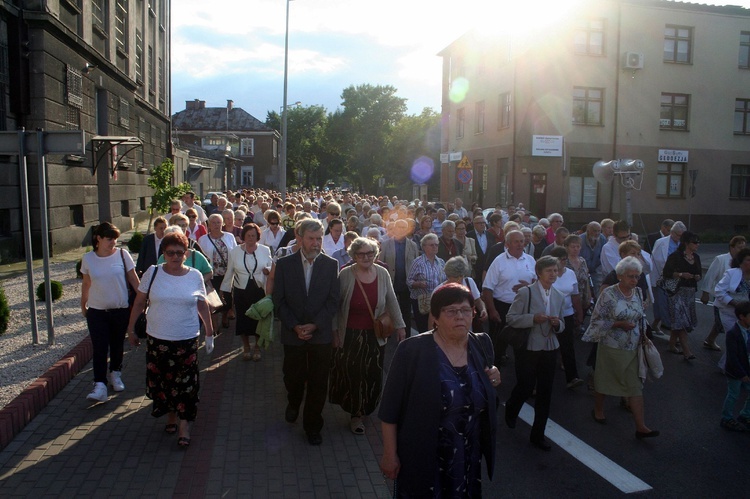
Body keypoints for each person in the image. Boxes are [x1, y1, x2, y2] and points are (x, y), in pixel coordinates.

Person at [379, 283, 499, 496]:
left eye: (465, 310)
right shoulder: (412, 350)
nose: (460, 316)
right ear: (434, 317)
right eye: (451, 311)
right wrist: (390, 454)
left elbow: (487, 390)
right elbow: (390, 409)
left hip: (468, 456)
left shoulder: (482, 344)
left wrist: (494, 379)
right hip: (424, 456)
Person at [126, 232, 214, 448]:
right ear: (163, 254)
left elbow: (202, 304)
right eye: (170, 252)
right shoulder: (153, 273)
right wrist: (130, 329)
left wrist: (210, 332)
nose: (175, 257)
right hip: (158, 338)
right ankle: (171, 416)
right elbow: (139, 303)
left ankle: (184, 426)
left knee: (186, 384)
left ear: (186, 254)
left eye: (179, 252)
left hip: (186, 338)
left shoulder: (194, 275)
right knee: (165, 381)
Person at [273, 218, 340, 446]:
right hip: (292, 334)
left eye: (319, 238)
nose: (315, 243)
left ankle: (312, 424)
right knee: (293, 377)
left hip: (319, 335)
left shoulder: (331, 265)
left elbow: (333, 302)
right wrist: (294, 326)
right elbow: (278, 301)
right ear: (300, 238)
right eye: (311, 238)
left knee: (318, 381)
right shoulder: (284, 264)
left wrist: (315, 325)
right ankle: (293, 401)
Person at [330, 237, 406, 435]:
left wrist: (400, 326)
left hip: (375, 335)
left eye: (370, 254)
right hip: (350, 335)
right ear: (354, 256)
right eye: (361, 254)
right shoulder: (345, 274)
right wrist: (335, 332)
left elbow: (391, 299)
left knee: (373, 373)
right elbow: (335, 307)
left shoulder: (382, 273)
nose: (366, 257)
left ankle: (367, 407)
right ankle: (356, 413)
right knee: (353, 373)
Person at [582, 256, 659, 439]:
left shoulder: (638, 292)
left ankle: (641, 426)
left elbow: (641, 316)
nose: (634, 280)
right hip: (611, 346)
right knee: (605, 381)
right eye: (630, 276)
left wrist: (644, 335)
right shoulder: (608, 294)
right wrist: (618, 324)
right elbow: (596, 321)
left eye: (637, 276)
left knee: (635, 386)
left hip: (633, 346)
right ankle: (598, 409)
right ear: (619, 276)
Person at [504, 256, 566, 450]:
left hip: (549, 347)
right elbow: (511, 318)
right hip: (529, 346)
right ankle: (512, 409)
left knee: (545, 392)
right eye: (549, 271)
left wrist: (557, 324)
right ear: (539, 273)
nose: (553, 275)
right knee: (525, 385)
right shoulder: (526, 293)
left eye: (555, 271)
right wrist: (533, 318)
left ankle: (538, 435)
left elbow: (563, 323)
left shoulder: (559, 295)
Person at [80, 222, 140, 402]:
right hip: (97, 311)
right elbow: (86, 283)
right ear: (98, 239)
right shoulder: (88, 258)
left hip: (120, 310)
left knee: (116, 345)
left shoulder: (123, 255)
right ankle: (99, 385)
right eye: (109, 239)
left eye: (115, 239)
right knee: (99, 348)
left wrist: (145, 299)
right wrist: (83, 305)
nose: (113, 242)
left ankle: (115, 373)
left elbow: (134, 280)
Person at [221, 223, 274, 361]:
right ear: (243, 236)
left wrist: (267, 269)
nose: (251, 238)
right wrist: (224, 290)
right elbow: (230, 271)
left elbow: (270, 265)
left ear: (257, 237)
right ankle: (246, 346)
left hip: (258, 289)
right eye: (248, 235)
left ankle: (257, 347)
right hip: (241, 290)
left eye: (253, 235)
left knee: (258, 319)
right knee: (243, 320)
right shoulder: (235, 251)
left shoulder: (264, 250)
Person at [482, 230, 536, 364]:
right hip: (503, 307)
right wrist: (492, 310)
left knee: (523, 347)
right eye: (515, 241)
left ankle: (522, 382)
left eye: (521, 241)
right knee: (498, 346)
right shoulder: (499, 261)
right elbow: (487, 288)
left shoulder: (530, 260)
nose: (519, 244)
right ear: (507, 244)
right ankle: (492, 377)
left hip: (524, 309)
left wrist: (529, 286)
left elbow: (538, 284)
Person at [701, 236, 747, 350]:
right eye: (739, 247)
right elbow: (710, 276)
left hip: (738, 299)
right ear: (732, 247)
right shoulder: (721, 259)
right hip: (722, 296)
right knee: (720, 322)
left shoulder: (743, 263)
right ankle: (714, 343)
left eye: (743, 247)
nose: (741, 250)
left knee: (721, 323)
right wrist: (705, 293)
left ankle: (710, 340)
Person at [662, 230, 702, 360]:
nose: (697, 245)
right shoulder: (676, 256)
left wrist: (696, 277)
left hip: (689, 293)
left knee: (679, 321)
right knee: (682, 321)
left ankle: (672, 344)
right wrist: (680, 274)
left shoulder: (696, 257)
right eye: (694, 242)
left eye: (698, 242)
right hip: (677, 292)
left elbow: (700, 274)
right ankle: (686, 351)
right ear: (686, 243)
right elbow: (666, 273)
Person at [549, 247, 584, 389]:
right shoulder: (548, 274)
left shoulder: (570, 274)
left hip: (567, 314)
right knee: (549, 348)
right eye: (560, 260)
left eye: (565, 259)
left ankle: (572, 377)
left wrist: (579, 312)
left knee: (568, 346)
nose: (563, 262)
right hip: (550, 315)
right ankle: (544, 380)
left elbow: (575, 295)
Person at [199, 214, 237, 331]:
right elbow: (201, 257)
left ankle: (224, 318)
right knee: (212, 299)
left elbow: (235, 252)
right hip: (211, 274)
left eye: (218, 222)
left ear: (222, 224)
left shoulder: (229, 236)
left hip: (227, 273)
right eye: (213, 223)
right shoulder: (203, 239)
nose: (216, 225)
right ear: (209, 225)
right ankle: (214, 326)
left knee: (227, 299)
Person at [380, 219, 418, 334]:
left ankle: (406, 335)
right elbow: (380, 262)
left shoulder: (413, 245)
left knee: (405, 310)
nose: (401, 230)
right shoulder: (386, 244)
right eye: (399, 227)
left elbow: (415, 264)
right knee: (389, 309)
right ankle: (389, 333)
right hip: (390, 282)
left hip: (406, 283)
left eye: (404, 228)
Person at [719, 301, 750, 431]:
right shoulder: (733, 333)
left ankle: (745, 414)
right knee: (733, 394)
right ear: (742, 317)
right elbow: (732, 357)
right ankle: (726, 418)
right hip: (736, 372)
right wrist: (742, 374)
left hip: (747, 369)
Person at [651, 221, 687, 334]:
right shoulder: (661, 242)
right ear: (671, 232)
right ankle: (671, 331)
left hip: (677, 279)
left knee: (673, 306)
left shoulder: (684, 244)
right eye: (677, 234)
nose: (679, 237)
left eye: (682, 235)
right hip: (661, 278)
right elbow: (655, 259)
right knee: (661, 305)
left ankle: (671, 332)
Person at [407, 233, 446, 334]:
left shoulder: (441, 262)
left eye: (436, 245)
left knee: (437, 329)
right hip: (422, 303)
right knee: (424, 330)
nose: (435, 247)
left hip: (437, 301)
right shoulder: (418, 262)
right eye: (431, 245)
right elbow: (409, 281)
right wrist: (418, 284)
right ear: (424, 247)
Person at [714, 247, 750, 339]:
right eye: (748, 260)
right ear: (741, 262)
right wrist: (734, 303)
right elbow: (719, 291)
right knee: (735, 339)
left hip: (747, 315)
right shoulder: (731, 273)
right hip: (729, 313)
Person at [467, 215, 496, 288]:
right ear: (474, 224)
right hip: (475, 268)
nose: (482, 224)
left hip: (488, 267)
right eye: (480, 223)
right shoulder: (469, 235)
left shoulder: (490, 235)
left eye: (483, 222)